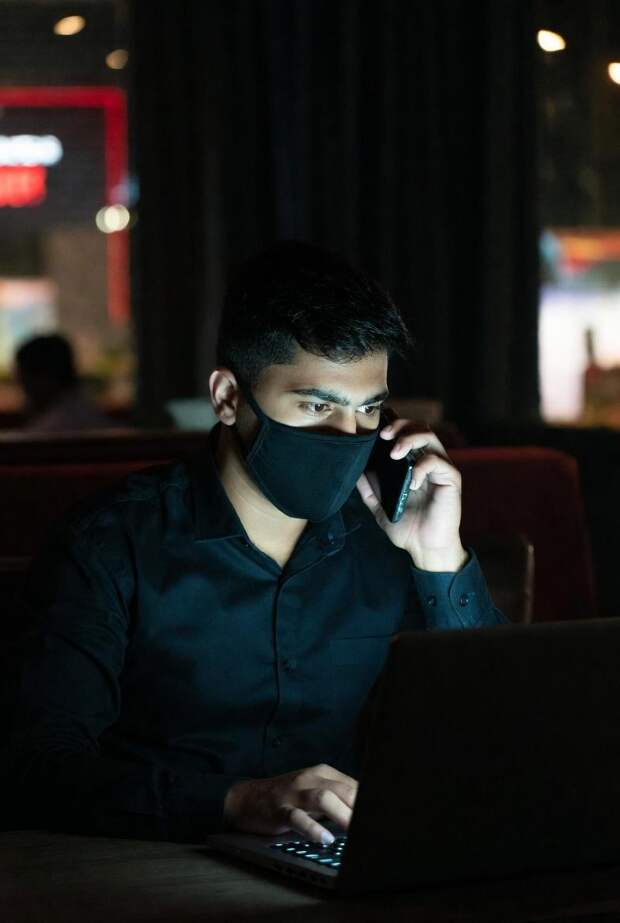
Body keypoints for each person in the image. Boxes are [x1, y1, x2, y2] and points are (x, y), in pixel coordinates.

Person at [9, 242, 507, 845]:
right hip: (146, 865)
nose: (347, 436)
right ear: (228, 397)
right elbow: (37, 768)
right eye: (316, 405)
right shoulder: (112, 542)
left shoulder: (388, 538)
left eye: (368, 410)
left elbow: (499, 733)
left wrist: (440, 559)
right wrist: (233, 802)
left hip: (337, 863)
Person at [14, 333, 114, 433]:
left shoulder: (47, 431)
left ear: (44, 377)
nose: (21, 386)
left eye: (23, 379)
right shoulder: (88, 412)